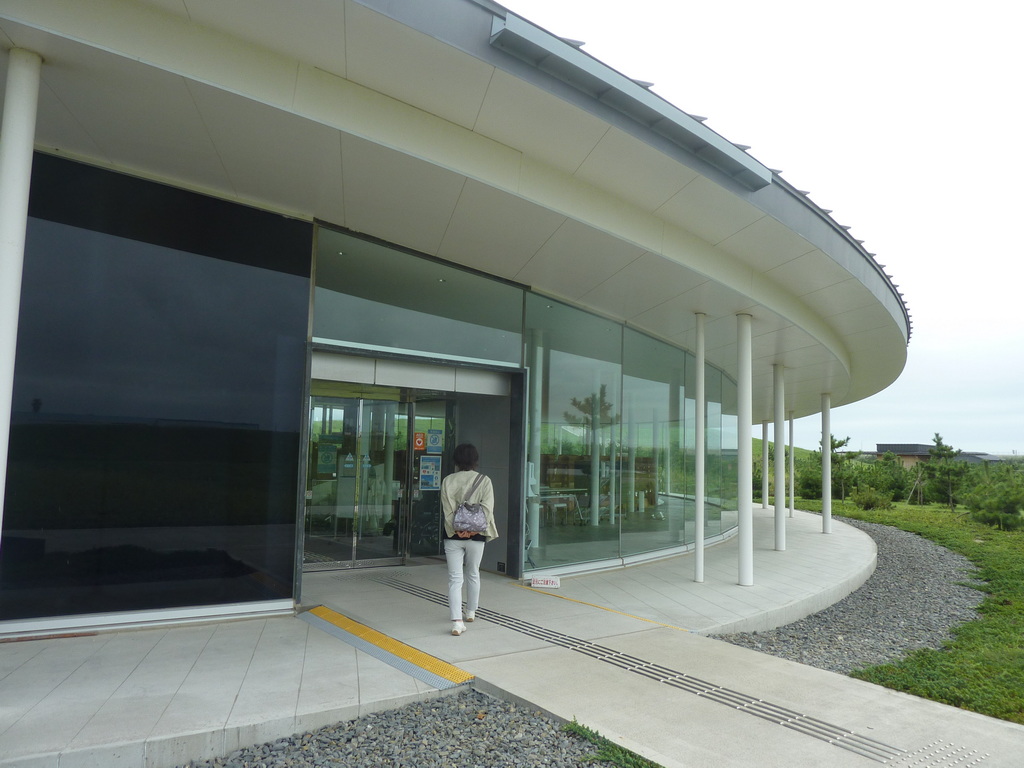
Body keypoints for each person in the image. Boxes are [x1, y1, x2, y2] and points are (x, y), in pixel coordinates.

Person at [440, 443, 498, 636]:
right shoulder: (485, 480)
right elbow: (487, 510)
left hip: (452, 535)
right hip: (477, 535)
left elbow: (448, 511)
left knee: (454, 579)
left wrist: (459, 530)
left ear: (456, 460)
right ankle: (471, 612)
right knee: (473, 573)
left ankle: (457, 621)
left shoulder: (448, 480)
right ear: (475, 459)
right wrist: (472, 532)